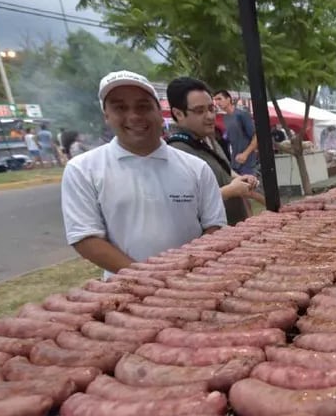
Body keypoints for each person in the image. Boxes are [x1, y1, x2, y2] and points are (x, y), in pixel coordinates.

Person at [61, 69, 226, 277]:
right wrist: (145, 276)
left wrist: (188, 269)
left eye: (143, 106)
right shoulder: (82, 169)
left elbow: (215, 225)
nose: (134, 116)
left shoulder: (196, 167)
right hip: (125, 291)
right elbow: (85, 238)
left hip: (194, 282)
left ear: (159, 112)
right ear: (107, 116)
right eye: (120, 108)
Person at [166, 77, 258, 226]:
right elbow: (186, 205)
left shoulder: (209, 138)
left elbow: (224, 169)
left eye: (211, 108)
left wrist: (240, 177)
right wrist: (230, 190)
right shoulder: (176, 151)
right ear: (178, 114)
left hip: (236, 230)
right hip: (212, 240)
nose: (210, 116)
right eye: (199, 111)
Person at [213, 89, 265, 206]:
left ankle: (276, 210)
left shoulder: (242, 115)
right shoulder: (225, 118)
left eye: (219, 99)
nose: (217, 102)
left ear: (229, 99)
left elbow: (257, 136)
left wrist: (246, 154)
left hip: (248, 161)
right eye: (215, 100)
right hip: (234, 162)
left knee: (253, 192)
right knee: (241, 194)